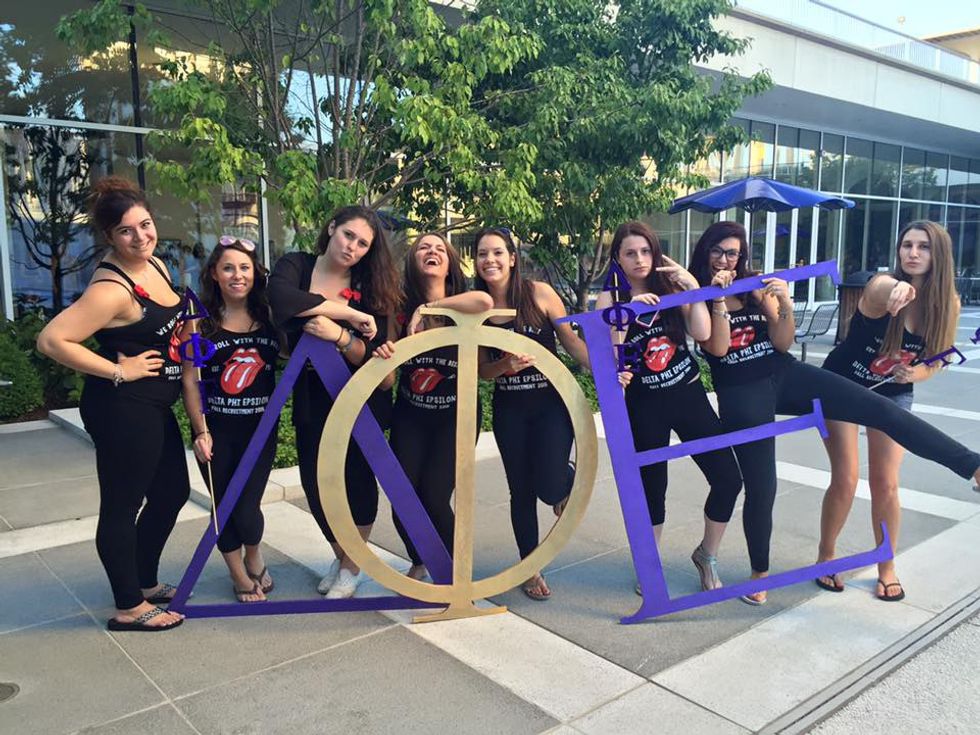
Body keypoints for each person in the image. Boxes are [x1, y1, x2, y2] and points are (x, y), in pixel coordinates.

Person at [690, 221, 980, 605]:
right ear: (705, 252)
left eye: (733, 253)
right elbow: (718, 349)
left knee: (883, 412)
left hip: (784, 372)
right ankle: (760, 573)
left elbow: (783, 342)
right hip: (741, 389)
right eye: (718, 251)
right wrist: (716, 296)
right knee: (764, 484)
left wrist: (782, 304)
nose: (725, 259)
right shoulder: (695, 295)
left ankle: (973, 466)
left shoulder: (753, 286)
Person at [37, 177, 189, 632]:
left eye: (145, 224)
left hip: (153, 405)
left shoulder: (154, 264)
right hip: (123, 408)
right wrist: (119, 370)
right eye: (126, 231)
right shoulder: (112, 289)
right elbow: (52, 340)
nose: (140, 237)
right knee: (122, 504)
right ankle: (129, 606)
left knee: (172, 492)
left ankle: (142, 580)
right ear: (109, 236)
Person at [595, 222, 742, 597]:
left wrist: (691, 288)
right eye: (630, 253)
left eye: (646, 251)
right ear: (618, 258)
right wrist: (626, 314)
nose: (639, 259)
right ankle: (648, 564)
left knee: (728, 477)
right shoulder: (609, 298)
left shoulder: (672, 285)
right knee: (651, 490)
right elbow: (609, 358)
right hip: (644, 404)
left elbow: (703, 334)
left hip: (688, 394)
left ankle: (707, 555)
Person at [817, 221, 961, 601]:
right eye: (906, 245)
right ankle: (826, 556)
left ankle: (887, 565)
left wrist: (917, 372)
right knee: (846, 478)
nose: (912, 253)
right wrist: (896, 289)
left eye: (923, 247)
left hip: (891, 394)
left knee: (886, 483)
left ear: (939, 255)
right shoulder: (884, 289)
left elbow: (939, 357)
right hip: (842, 387)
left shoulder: (948, 304)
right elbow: (877, 289)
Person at [267, 206, 401, 599]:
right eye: (348, 235)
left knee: (357, 480)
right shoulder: (297, 266)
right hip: (312, 394)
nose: (352, 247)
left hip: (357, 395)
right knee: (316, 482)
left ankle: (351, 566)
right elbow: (280, 298)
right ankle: (343, 555)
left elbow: (373, 356)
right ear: (331, 228)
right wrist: (346, 313)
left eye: (363, 244)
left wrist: (340, 335)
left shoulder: (371, 286)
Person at [473, 227, 590, 600]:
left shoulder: (539, 293)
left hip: (551, 405)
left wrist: (606, 372)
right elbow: (482, 371)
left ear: (512, 258)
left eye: (497, 252)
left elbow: (571, 342)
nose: (490, 260)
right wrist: (504, 365)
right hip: (510, 411)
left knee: (550, 486)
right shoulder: (477, 310)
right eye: (482, 254)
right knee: (520, 491)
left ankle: (563, 477)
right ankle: (529, 566)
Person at [372, 233, 493, 581]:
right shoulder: (398, 306)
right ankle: (421, 558)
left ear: (450, 262)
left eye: (440, 248)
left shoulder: (463, 303)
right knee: (402, 495)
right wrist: (383, 355)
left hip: (456, 416)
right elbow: (387, 380)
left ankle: (455, 572)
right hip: (411, 414)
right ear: (413, 260)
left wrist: (429, 309)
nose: (432, 251)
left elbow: (484, 301)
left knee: (435, 497)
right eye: (424, 247)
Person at [182, 236, 280, 603]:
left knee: (248, 508)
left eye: (244, 267)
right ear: (214, 274)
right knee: (224, 506)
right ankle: (238, 573)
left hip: (260, 431)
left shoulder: (270, 317)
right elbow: (190, 380)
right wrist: (200, 431)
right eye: (228, 268)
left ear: (255, 273)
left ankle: (254, 555)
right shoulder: (199, 323)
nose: (237, 275)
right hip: (217, 432)